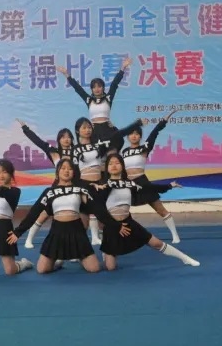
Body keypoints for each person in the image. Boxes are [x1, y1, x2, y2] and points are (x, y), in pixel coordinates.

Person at [7, 159, 129, 274]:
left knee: (94, 269)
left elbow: (98, 211)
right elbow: (33, 213)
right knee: (42, 269)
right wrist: (18, 232)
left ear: (74, 172)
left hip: (77, 232)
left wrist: (116, 225)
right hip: (57, 232)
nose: (66, 171)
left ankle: (81, 258)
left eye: (70, 169)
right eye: (63, 168)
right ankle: (30, 263)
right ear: (57, 172)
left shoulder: (81, 190)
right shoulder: (49, 192)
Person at [95, 153, 199, 270]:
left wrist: (170, 186)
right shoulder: (103, 186)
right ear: (107, 168)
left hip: (128, 223)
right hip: (112, 225)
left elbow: (150, 188)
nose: (114, 165)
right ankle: (106, 253)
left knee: (156, 243)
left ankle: (185, 258)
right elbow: (99, 211)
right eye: (110, 164)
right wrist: (115, 225)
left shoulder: (130, 184)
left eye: (117, 163)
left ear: (123, 166)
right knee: (110, 267)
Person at [74, 116, 144, 244]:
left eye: (89, 127)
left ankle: (104, 241)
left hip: (99, 183)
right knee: (84, 219)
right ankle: (79, 246)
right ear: (78, 131)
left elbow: (118, 135)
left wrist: (136, 124)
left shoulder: (98, 145)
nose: (87, 130)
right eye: (84, 128)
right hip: (84, 184)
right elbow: (73, 171)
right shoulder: (75, 149)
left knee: (103, 214)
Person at [119, 111, 182, 242]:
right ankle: (123, 236)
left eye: (137, 134)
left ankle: (175, 235)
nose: (134, 136)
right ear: (128, 137)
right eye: (131, 134)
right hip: (128, 184)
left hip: (142, 182)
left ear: (140, 136)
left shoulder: (144, 148)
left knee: (160, 210)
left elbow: (154, 133)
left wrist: (163, 121)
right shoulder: (124, 151)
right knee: (121, 211)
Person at [15, 120, 76, 248]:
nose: (66, 139)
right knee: (45, 213)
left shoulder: (77, 152)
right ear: (59, 140)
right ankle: (29, 239)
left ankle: (78, 242)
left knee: (75, 214)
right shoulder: (53, 151)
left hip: (74, 186)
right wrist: (25, 128)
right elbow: (38, 141)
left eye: (69, 137)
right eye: (63, 137)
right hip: (57, 186)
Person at [57, 57, 132, 144]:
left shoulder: (108, 98)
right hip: (94, 130)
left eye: (99, 86)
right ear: (91, 89)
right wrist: (66, 74)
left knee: (113, 147)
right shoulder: (89, 99)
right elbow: (78, 88)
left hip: (107, 128)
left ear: (103, 87)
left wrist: (123, 68)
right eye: (94, 87)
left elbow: (114, 84)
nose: (97, 89)